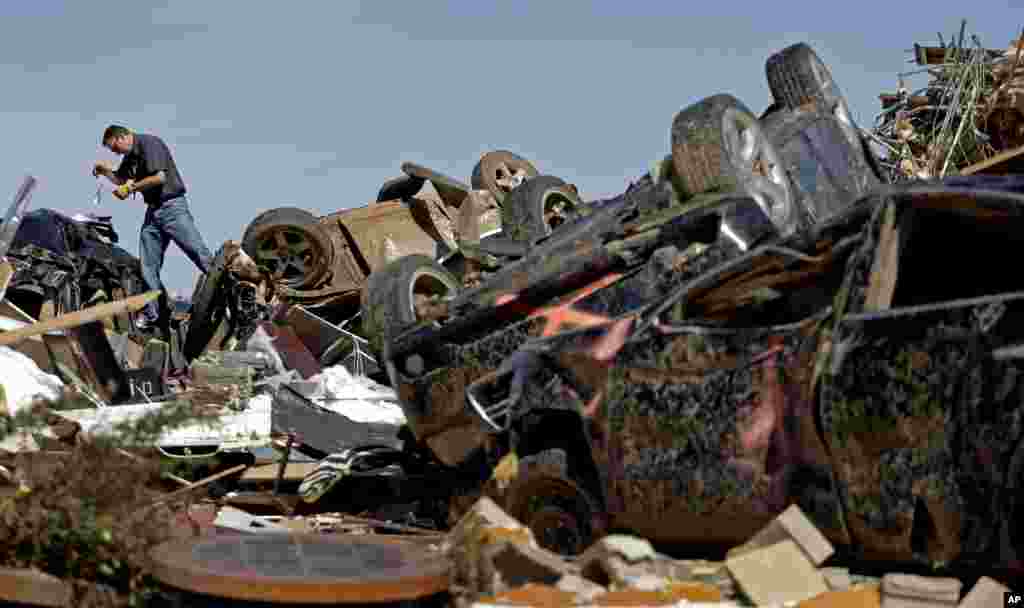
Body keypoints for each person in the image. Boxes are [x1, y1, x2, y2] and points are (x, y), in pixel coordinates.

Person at [92, 125, 213, 331]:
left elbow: (160, 177)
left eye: (115, 148)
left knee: (199, 254)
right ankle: (151, 314)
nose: (115, 153)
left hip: (172, 207)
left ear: (122, 137)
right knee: (148, 265)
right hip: (154, 212)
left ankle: (230, 296)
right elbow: (121, 179)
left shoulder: (150, 143)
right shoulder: (131, 156)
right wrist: (105, 172)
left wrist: (131, 187)